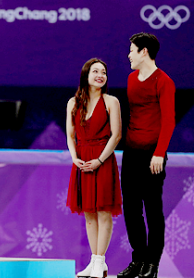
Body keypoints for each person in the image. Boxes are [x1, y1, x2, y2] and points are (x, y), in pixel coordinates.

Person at [118, 33, 175, 278]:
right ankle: (138, 260)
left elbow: (169, 121)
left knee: (152, 209)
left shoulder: (164, 81)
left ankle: (152, 264)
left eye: (132, 50)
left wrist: (159, 153)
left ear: (144, 51)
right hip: (131, 153)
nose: (129, 54)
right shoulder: (131, 79)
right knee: (131, 209)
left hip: (153, 155)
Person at [66, 58, 122, 278]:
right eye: (95, 71)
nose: (100, 75)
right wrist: (74, 158)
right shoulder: (73, 103)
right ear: (86, 75)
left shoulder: (111, 101)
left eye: (104, 72)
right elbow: (70, 136)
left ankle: (100, 261)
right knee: (89, 213)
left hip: (103, 159)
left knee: (103, 211)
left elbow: (116, 135)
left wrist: (99, 160)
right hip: (82, 160)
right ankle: (95, 261)